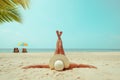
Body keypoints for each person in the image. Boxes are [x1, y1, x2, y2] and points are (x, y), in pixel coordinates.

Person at [23, 31, 97, 70]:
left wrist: (28, 66)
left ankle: (58, 37)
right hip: (61, 59)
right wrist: (89, 66)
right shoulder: (69, 65)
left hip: (57, 60)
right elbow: (79, 65)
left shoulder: (50, 66)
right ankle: (59, 37)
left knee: (57, 48)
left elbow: (39, 66)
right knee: (61, 47)